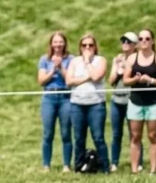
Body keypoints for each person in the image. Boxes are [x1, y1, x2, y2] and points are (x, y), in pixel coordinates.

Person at [123, 28, 156, 175]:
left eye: (147, 39)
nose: (144, 41)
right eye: (141, 39)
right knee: (135, 136)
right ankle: (135, 170)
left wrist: (151, 80)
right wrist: (136, 79)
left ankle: (154, 170)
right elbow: (125, 80)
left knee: (153, 136)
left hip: (154, 102)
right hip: (135, 102)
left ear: (152, 41)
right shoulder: (132, 59)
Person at [64, 33, 109, 173]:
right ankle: (78, 166)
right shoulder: (74, 61)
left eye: (90, 45)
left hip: (96, 105)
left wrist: (88, 62)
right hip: (77, 104)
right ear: (80, 47)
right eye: (84, 45)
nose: (87, 48)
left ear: (95, 47)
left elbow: (96, 77)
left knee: (98, 137)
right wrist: (86, 77)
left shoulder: (100, 60)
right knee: (78, 138)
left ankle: (104, 167)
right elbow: (68, 81)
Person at [36, 31, 73, 172]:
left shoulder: (71, 59)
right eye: (55, 42)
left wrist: (61, 68)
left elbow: (70, 80)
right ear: (51, 44)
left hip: (65, 98)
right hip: (49, 98)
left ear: (64, 43)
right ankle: (46, 164)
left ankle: (66, 165)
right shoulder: (44, 59)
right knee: (48, 133)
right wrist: (52, 70)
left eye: (60, 42)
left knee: (66, 133)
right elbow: (41, 80)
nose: (58, 44)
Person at [106, 32, 142, 172]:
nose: (125, 43)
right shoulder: (118, 59)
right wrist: (118, 71)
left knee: (134, 134)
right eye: (123, 40)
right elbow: (110, 81)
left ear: (134, 45)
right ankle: (114, 162)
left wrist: (126, 69)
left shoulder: (138, 60)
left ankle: (138, 162)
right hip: (117, 100)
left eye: (128, 41)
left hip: (132, 100)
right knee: (116, 134)